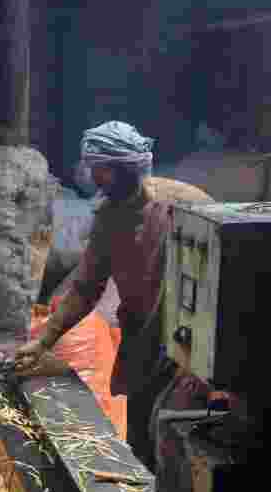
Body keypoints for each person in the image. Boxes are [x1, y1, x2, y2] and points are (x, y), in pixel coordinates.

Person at [14, 122, 210, 471]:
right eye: (94, 169)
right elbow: (87, 288)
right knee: (140, 437)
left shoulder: (182, 205)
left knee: (179, 438)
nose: (95, 178)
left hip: (189, 344)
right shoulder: (109, 218)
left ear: (129, 168)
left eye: (102, 170)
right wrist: (44, 341)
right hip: (141, 340)